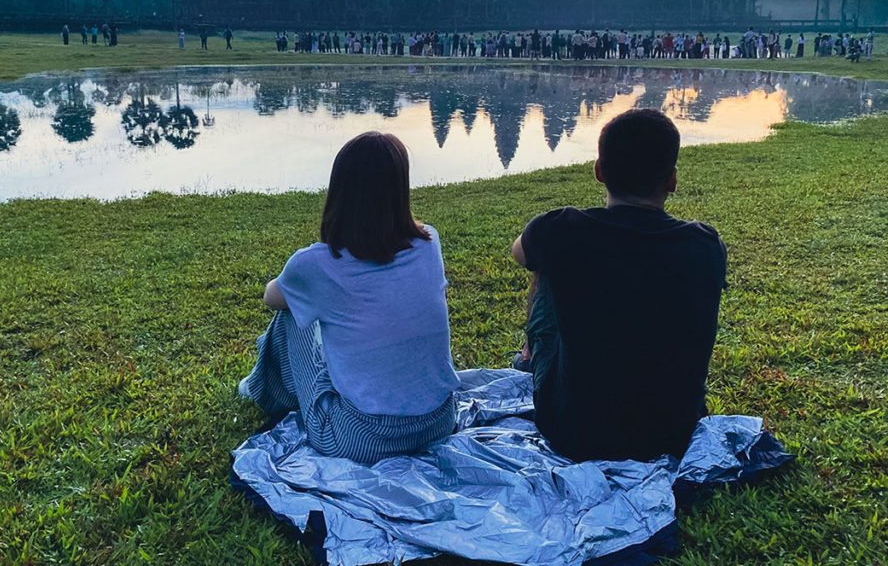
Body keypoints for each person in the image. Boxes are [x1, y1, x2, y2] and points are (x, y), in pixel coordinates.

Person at [511, 109, 726, 462]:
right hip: (675, 433)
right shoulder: (705, 244)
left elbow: (519, 253)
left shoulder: (561, 229)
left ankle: (528, 359)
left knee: (544, 264)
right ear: (672, 179)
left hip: (573, 432)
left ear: (598, 171)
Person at [239, 132, 459, 463]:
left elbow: (271, 298)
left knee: (289, 316)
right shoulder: (429, 242)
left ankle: (258, 391)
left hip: (362, 440)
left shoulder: (317, 264)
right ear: (401, 189)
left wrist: (298, 280)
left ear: (340, 189)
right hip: (439, 422)